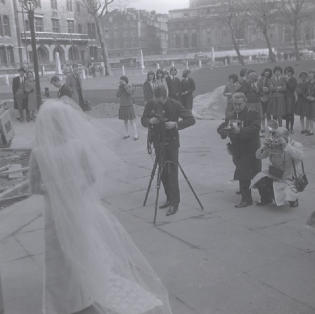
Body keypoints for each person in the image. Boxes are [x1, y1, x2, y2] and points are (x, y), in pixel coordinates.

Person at [29, 100, 173, 314]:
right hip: (73, 209)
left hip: (59, 211)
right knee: (77, 249)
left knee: (61, 252)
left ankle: (65, 300)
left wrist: (59, 190)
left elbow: (35, 188)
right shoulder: (66, 148)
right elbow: (90, 178)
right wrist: (70, 189)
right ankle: (82, 292)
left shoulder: (41, 152)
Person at [141, 85, 195, 216]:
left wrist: (176, 125)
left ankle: (174, 203)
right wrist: (150, 121)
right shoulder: (151, 104)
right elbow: (143, 120)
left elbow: (191, 119)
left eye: (159, 100)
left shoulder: (175, 104)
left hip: (171, 143)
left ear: (164, 97)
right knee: (163, 173)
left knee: (172, 174)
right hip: (157, 142)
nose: (157, 103)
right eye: (155, 100)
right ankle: (169, 198)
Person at [217, 92, 261, 208]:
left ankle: (251, 199)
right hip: (237, 150)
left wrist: (240, 131)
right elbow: (220, 128)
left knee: (252, 174)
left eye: (239, 104)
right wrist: (224, 132)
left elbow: (255, 129)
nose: (237, 107)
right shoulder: (231, 115)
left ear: (245, 102)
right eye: (234, 104)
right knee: (244, 173)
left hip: (251, 149)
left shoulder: (253, 114)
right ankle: (247, 194)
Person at [252, 127, 303, 207]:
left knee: (289, 194)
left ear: (286, 136)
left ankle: (293, 199)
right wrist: (264, 147)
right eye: (275, 136)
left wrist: (286, 145)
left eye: (278, 137)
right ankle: (266, 199)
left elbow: (299, 156)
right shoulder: (272, 145)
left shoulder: (295, 145)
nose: (276, 139)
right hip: (275, 173)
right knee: (259, 179)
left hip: (290, 175)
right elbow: (258, 156)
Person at [117, 76, 138, 140]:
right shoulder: (120, 87)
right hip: (123, 105)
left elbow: (130, 92)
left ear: (126, 81)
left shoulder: (129, 86)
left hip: (129, 105)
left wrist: (125, 86)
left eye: (122, 80)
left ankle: (136, 135)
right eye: (120, 80)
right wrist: (120, 87)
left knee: (132, 121)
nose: (121, 81)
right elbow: (117, 95)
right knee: (125, 121)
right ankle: (127, 134)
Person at [258, 68, 273, 132]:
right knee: (262, 114)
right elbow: (258, 89)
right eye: (266, 71)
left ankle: (270, 128)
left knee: (268, 113)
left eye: (268, 72)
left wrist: (268, 90)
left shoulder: (270, 80)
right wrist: (261, 94)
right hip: (261, 98)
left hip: (268, 98)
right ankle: (263, 127)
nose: (267, 73)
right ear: (264, 72)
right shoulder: (260, 79)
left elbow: (271, 89)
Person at [284, 66, 297, 133]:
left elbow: (292, 88)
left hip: (291, 98)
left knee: (291, 113)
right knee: (286, 113)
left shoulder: (293, 79)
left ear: (292, 72)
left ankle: (291, 128)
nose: (288, 73)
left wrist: (287, 81)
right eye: (286, 72)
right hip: (285, 98)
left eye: (289, 72)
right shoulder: (285, 78)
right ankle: (286, 128)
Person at [305, 70, 315, 136]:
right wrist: (306, 96)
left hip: (313, 101)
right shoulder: (307, 83)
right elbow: (305, 91)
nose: (310, 75)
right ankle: (308, 129)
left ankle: (312, 130)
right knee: (308, 116)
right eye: (309, 74)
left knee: (312, 116)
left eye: (311, 74)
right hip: (307, 101)